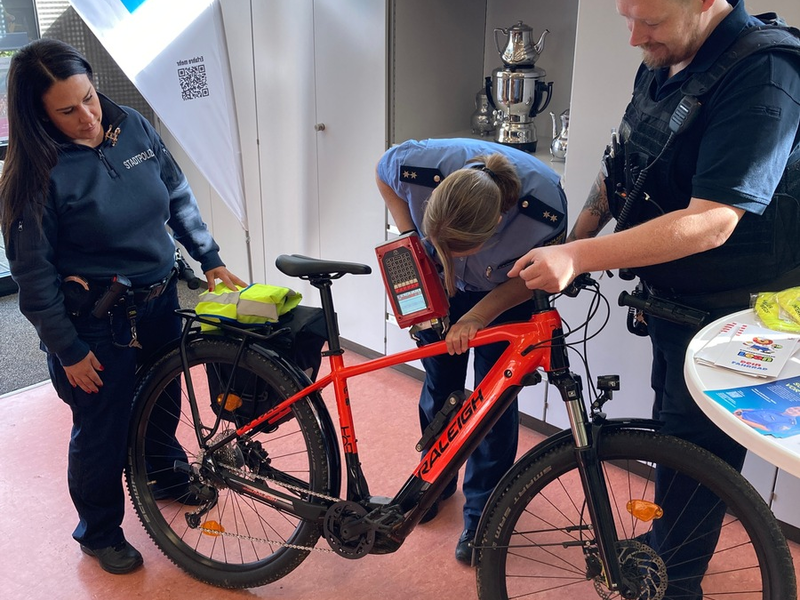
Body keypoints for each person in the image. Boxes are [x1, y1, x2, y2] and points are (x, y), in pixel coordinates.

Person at [509, 0, 799, 596]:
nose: (637, 37)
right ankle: (670, 547)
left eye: (652, 22)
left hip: (731, 315)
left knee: (698, 458)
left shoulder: (766, 74)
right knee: (672, 437)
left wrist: (580, 258)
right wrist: (574, 240)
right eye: (628, 18)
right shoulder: (667, 57)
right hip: (670, 301)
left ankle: (676, 582)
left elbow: (713, 221)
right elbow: (625, 165)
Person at [0, 39, 247, 575]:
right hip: (94, 324)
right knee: (102, 426)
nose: (87, 117)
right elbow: (34, 276)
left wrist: (209, 258)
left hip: (157, 299)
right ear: (37, 114)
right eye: (67, 110)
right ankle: (99, 530)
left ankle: (164, 472)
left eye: (89, 98)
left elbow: (176, 193)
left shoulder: (130, 125)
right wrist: (67, 350)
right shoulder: (34, 176)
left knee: (163, 400)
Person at [376, 138, 567, 564]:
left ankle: (484, 514)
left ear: (499, 223)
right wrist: (413, 240)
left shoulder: (543, 208)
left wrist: (478, 316)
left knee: (491, 400)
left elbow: (532, 277)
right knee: (439, 383)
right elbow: (381, 172)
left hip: (503, 293)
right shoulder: (417, 164)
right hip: (439, 287)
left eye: (458, 248)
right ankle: (434, 483)